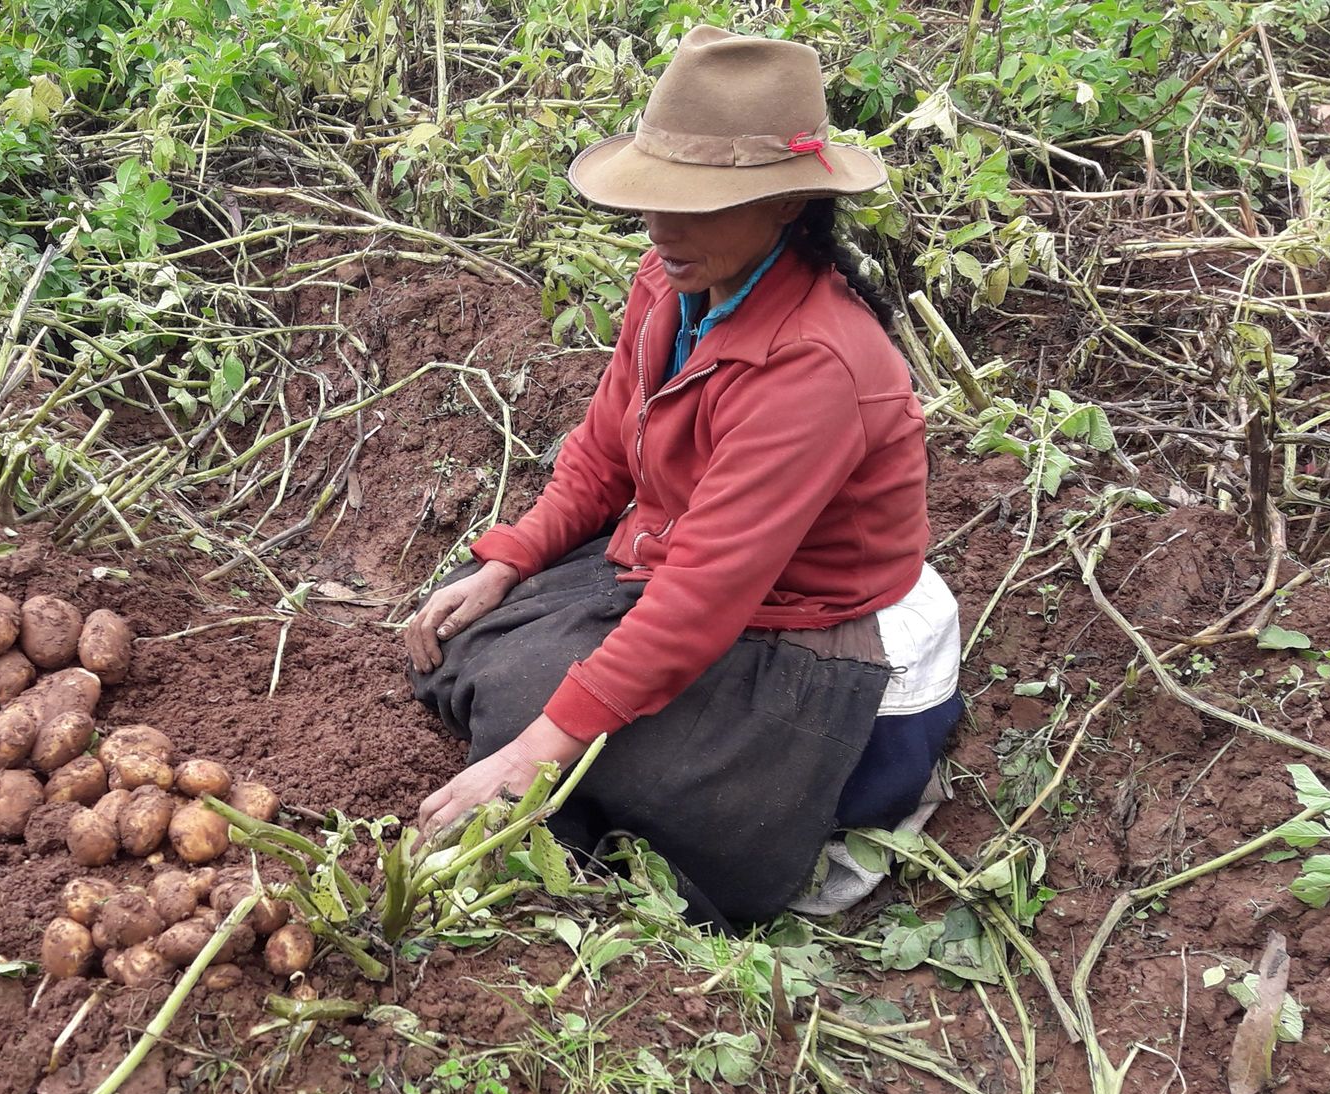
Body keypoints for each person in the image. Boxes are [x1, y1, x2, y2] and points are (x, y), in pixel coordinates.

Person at [404, 27, 963, 927]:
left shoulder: (815, 364)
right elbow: (602, 451)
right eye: (655, 200)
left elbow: (705, 593)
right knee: (474, 634)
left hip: (817, 628)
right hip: (699, 569)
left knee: (551, 739)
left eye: (697, 206)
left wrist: (533, 753)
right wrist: (508, 560)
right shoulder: (673, 283)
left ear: (787, 203)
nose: (662, 229)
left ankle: (837, 798)